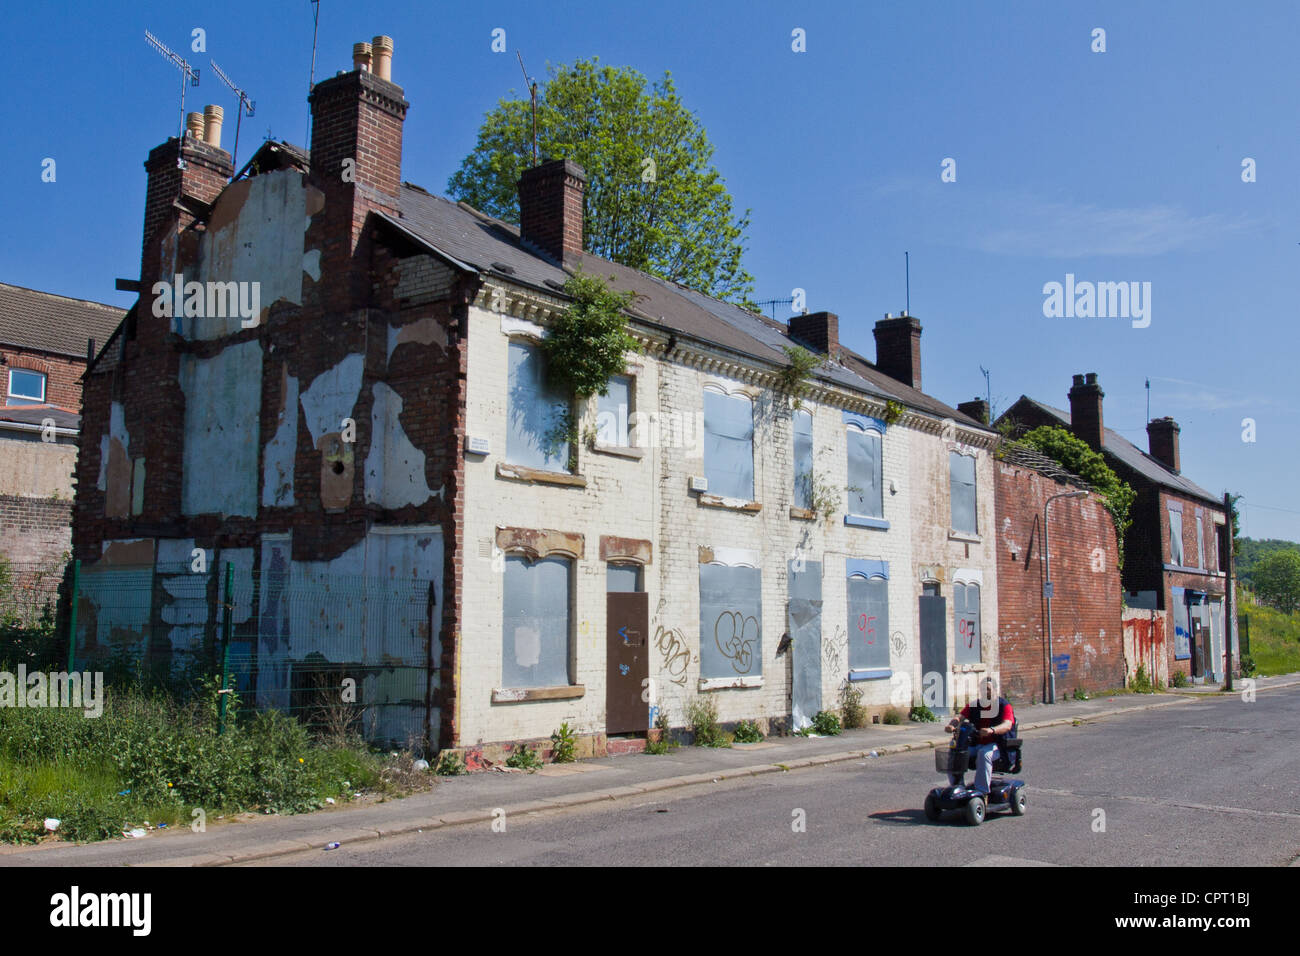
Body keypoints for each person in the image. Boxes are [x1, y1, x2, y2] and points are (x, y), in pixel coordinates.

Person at [944, 676, 1015, 796]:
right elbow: (959, 717)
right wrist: (952, 725)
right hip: (977, 744)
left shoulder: (1004, 706)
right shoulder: (975, 705)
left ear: (995, 690)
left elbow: (1007, 725)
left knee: (984, 753)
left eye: (988, 689)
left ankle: (982, 792)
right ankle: (957, 786)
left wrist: (992, 730)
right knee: (955, 752)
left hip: (998, 745)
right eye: (982, 689)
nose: (985, 692)